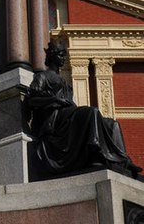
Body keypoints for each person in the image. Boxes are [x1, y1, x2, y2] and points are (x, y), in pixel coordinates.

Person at [25, 41, 142, 178]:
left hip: (67, 117)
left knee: (112, 124)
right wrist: (55, 100)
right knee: (91, 112)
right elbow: (32, 100)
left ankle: (123, 160)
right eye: (61, 55)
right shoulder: (42, 77)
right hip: (55, 119)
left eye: (64, 55)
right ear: (53, 56)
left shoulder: (63, 81)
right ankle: (94, 152)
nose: (64, 58)